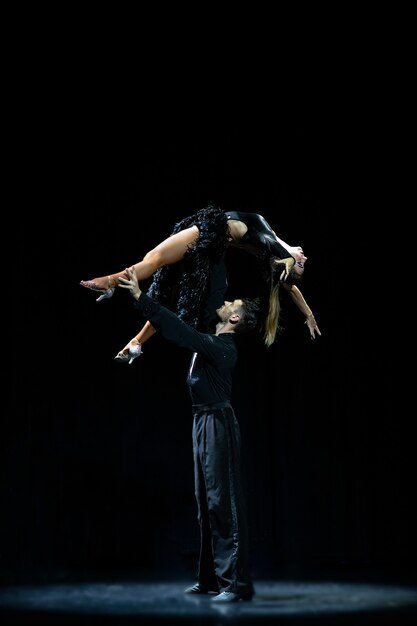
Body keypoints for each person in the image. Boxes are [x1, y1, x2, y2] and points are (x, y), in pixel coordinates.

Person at [118, 266, 261, 602]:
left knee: (222, 503)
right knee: (205, 504)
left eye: (231, 304)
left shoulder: (223, 347)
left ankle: (235, 585)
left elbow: (182, 333)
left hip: (218, 423)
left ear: (236, 320)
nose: (224, 304)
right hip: (202, 422)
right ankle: (211, 579)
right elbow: (192, 315)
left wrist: (142, 299)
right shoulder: (213, 338)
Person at [80, 204, 320, 363]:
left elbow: (284, 269)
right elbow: (291, 287)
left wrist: (288, 258)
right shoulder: (271, 247)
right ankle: (137, 341)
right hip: (210, 251)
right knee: (167, 287)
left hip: (208, 237)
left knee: (155, 259)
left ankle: (111, 282)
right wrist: (308, 314)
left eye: (302, 263)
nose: (304, 257)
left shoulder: (271, 245)